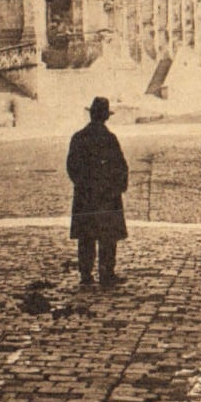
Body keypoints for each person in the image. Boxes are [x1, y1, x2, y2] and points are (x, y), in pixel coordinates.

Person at [66, 96, 129, 288]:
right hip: (107, 196)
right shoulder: (109, 138)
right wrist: (117, 188)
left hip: (85, 195)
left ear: (92, 114)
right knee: (107, 235)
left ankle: (85, 274)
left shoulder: (78, 137)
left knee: (86, 235)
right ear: (105, 117)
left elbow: (71, 166)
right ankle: (106, 272)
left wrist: (82, 185)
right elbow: (120, 166)